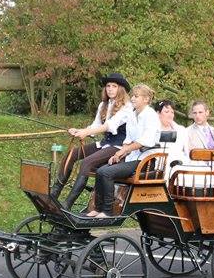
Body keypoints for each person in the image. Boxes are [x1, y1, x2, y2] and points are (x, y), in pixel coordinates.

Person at [50, 72, 134, 209]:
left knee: (86, 162)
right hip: (105, 144)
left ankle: (67, 204)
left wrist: (86, 132)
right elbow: (96, 125)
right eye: (108, 86)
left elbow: (109, 126)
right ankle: (54, 194)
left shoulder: (127, 107)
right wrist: (80, 131)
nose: (110, 89)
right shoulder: (103, 105)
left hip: (119, 148)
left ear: (121, 89)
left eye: (114, 86)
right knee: (72, 154)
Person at [86, 84, 161, 218]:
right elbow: (128, 139)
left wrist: (123, 152)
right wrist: (118, 154)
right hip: (132, 157)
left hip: (145, 161)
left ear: (146, 99)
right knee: (100, 170)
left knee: (107, 173)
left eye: (136, 96)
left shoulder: (150, 116)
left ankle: (108, 211)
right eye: (132, 96)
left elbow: (144, 141)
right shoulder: (133, 114)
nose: (132, 98)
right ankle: (97, 208)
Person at [156, 99, 189, 169]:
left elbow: (187, 150)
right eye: (166, 112)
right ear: (158, 113)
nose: (170, 115)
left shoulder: (181, 130)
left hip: (181, 161)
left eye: (172, 112)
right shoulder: (153, 130)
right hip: (160, 162)